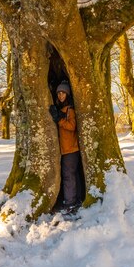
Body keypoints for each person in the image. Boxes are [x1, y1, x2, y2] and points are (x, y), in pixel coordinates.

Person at [49, 80, 81, 214]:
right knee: (70, 175)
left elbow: (72, 127)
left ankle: (71, 203)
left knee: (69, 175)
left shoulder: (70, 110)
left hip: (71, 149)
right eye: (59, 93)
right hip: (63, 149)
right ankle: (73, 199)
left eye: (63, 93)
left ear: (67, 94)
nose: (61, 95)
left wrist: (59, 120)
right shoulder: (62, 109)